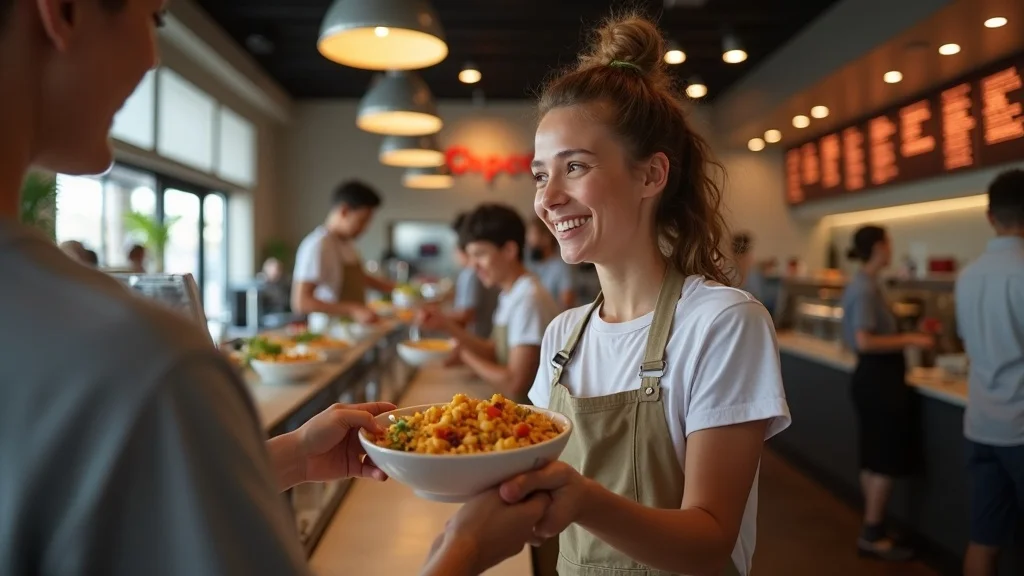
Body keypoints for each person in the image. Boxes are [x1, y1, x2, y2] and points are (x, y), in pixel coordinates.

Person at [0, 1, 550, 575]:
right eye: (155, 18)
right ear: (63, 11)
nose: (152, 58)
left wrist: (293, 457)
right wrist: (463, 553)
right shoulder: (147, 361)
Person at [495, 14, 792, 576]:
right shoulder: (563, 336)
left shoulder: (723, 322)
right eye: (539, 175)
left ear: (652, 175)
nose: (548, 198)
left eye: (574, 167)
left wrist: (581, 500)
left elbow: (709, 541)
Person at [839, 224, 934, 561]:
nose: (892, 248)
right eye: (889, 242)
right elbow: (865, 340)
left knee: (872, 457)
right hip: (879, 381)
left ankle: (874, 525)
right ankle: (871, 533)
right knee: (883, 460)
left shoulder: (865, 283)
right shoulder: (865, 288)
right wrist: (911, 339)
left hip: (871, 380)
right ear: (879, 247)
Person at [955, 169, 1024, 576]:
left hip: (981, 425)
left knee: (983, 540)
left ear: (990, 216)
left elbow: (968, 344)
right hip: (1020, 427)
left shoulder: (968, 275)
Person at [419, 204, 559, 403]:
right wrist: (445, 324)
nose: (473, 265)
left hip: (529, 415)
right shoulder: (510, 293)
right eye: (471, 256)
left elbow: (514, 385)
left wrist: (464, 355)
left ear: (509, 250)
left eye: (480, 254)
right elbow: (493, 351)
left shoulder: (529, 300)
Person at [291, 180, 395, 332]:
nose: (365, 228)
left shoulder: (347, 244)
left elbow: (359, 277)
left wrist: (395, 288)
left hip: (353, 330)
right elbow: (301, 302)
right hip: (329, 333)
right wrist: (353, 309)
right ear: (344, 211)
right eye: (362, 221)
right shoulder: (318, 245)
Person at [449, 212, 498, 338]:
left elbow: (466, 315)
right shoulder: (475, 272)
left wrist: (438, 319)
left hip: (478, 338)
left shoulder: (471, 273)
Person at [526, 217, 576, 310]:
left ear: (546, 238)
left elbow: (566, 301)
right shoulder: (529, 265)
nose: (529, 240)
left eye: (533, 234)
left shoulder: (560, 266)